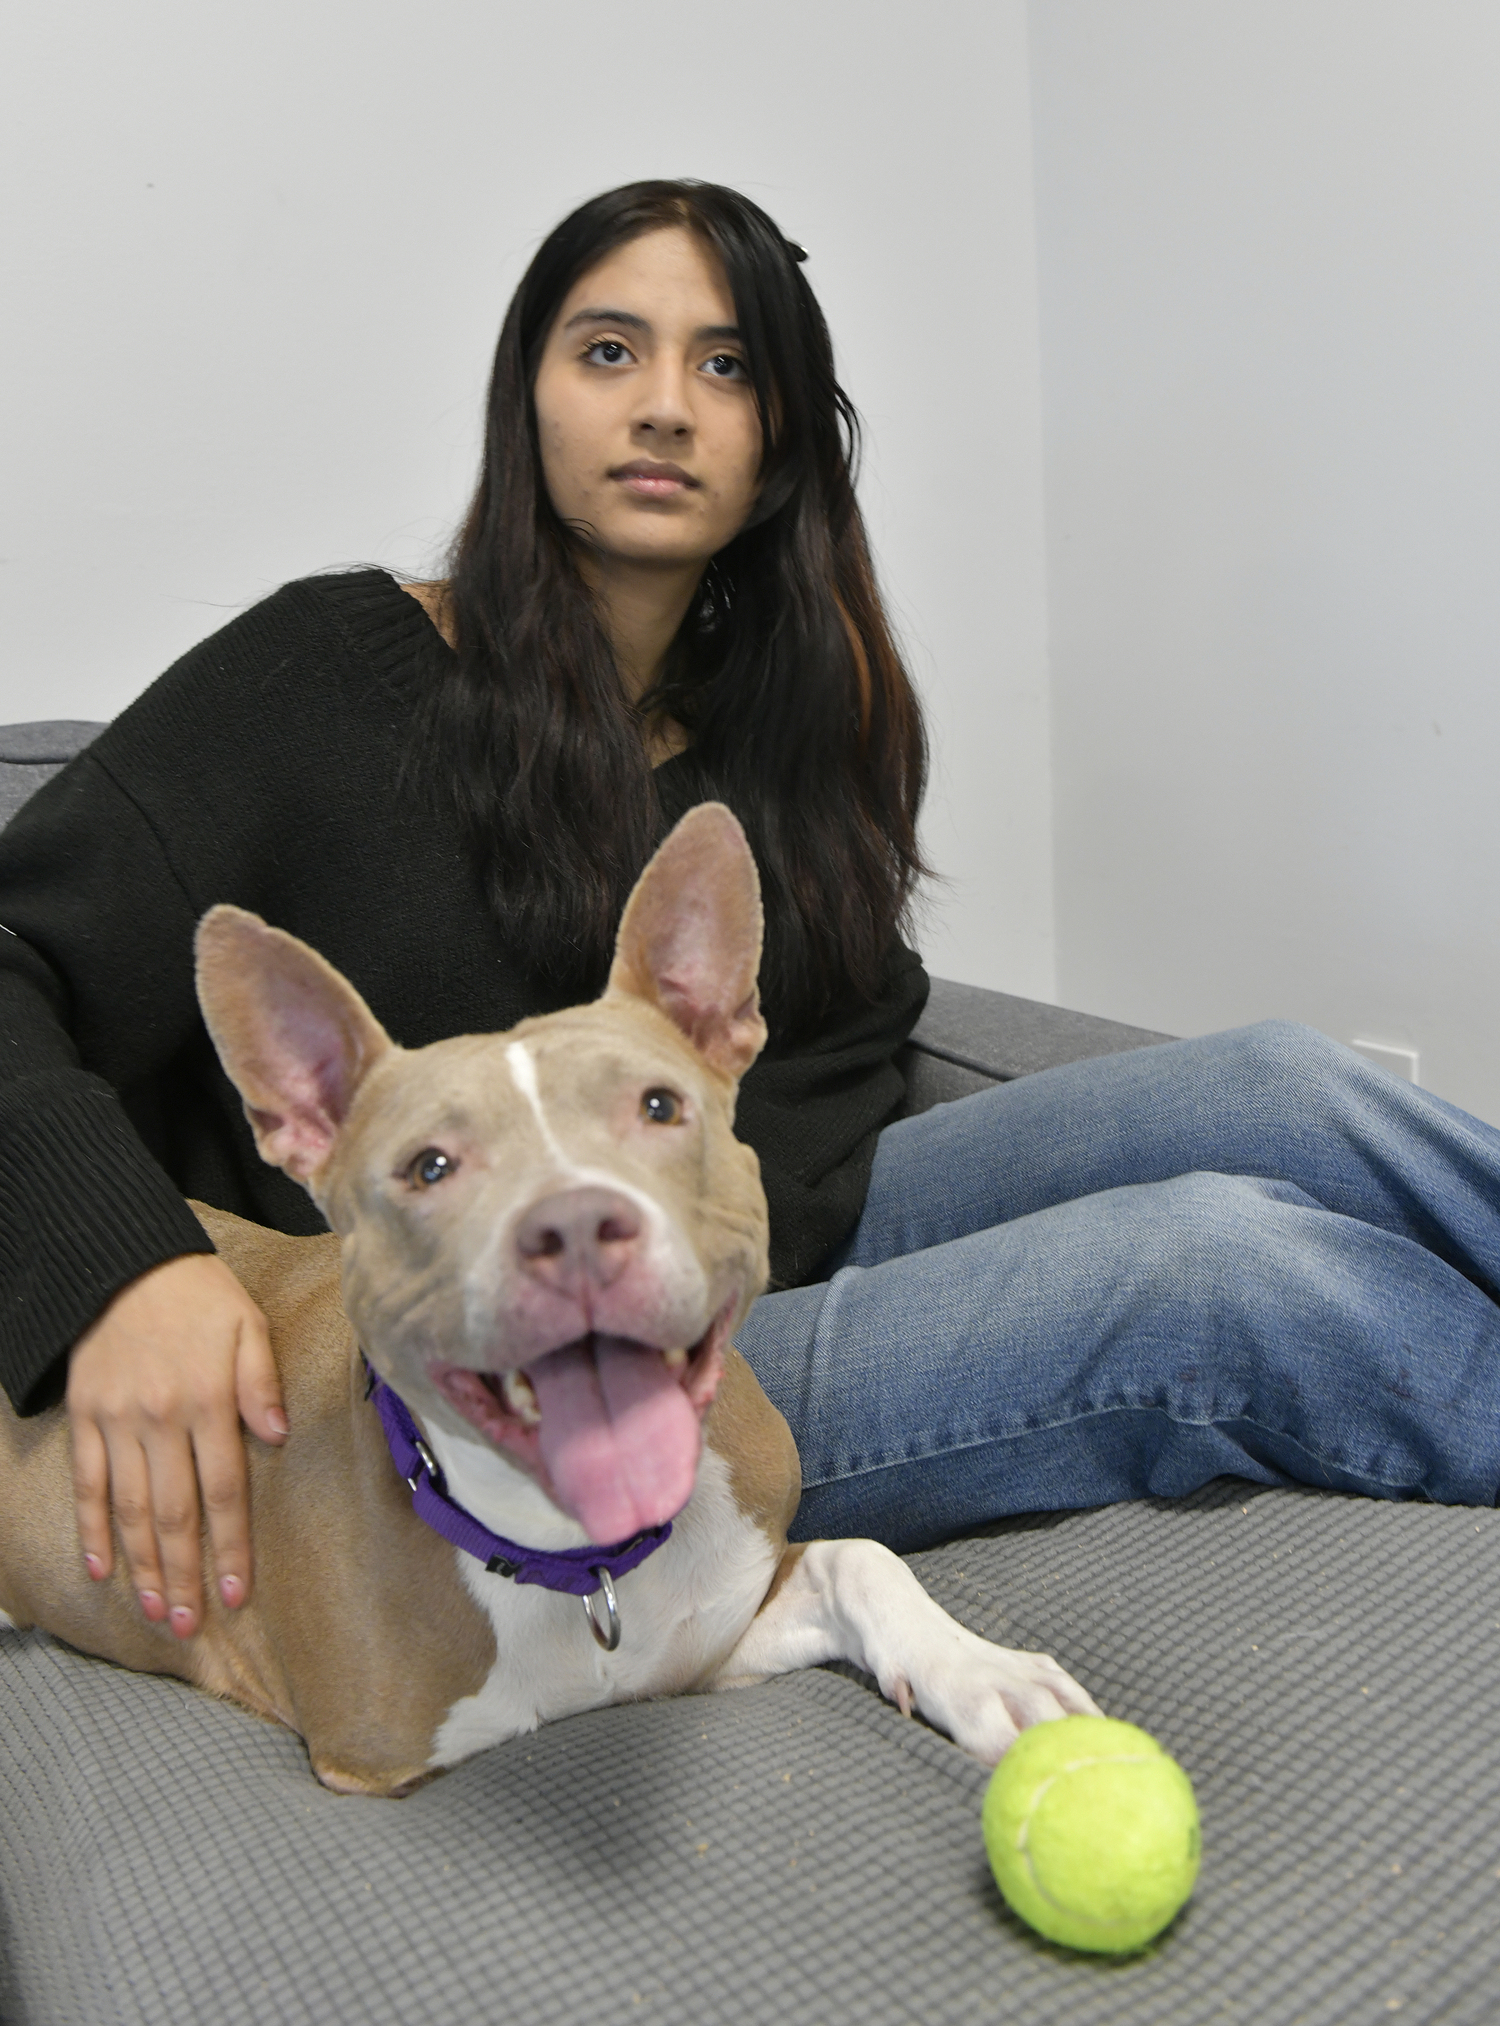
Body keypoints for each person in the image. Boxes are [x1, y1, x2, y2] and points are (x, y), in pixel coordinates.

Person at [3, 181, 1499, 1655]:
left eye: (725, 364)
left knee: (1281, 1086)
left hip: (773, 1233)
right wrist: (127, 1273)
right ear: (524, 399)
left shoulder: (785, 718)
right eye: (608, 351)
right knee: (1212, 1269)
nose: (666, 405)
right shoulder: (322, 672)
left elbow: (843, 1049)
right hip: (547, 1355)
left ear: (780, 430)